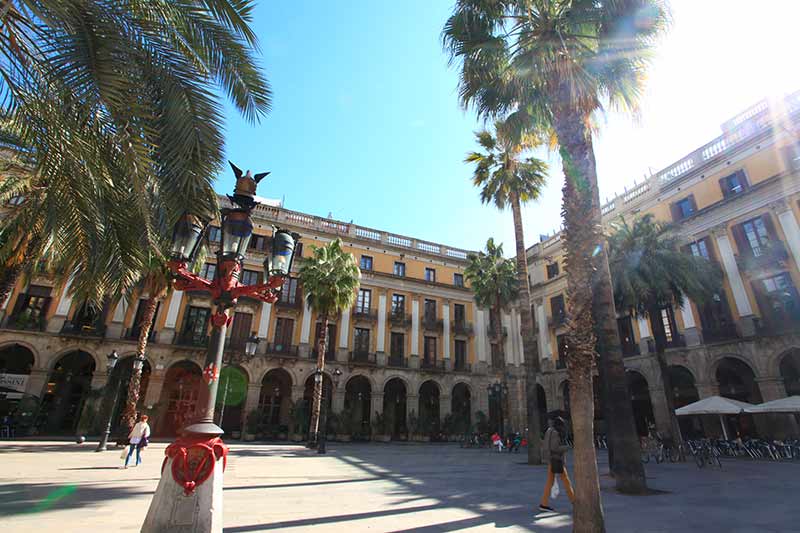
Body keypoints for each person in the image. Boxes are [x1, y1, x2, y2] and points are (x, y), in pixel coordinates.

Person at [539, 417, 575, 513]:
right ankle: (574, 501)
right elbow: (555, 447)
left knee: (550, 482)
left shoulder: (549, 431)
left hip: (552, 459)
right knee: (565, 480)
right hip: (556, 459)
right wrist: (567, 447)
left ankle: (544, 503)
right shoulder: (555, 433)